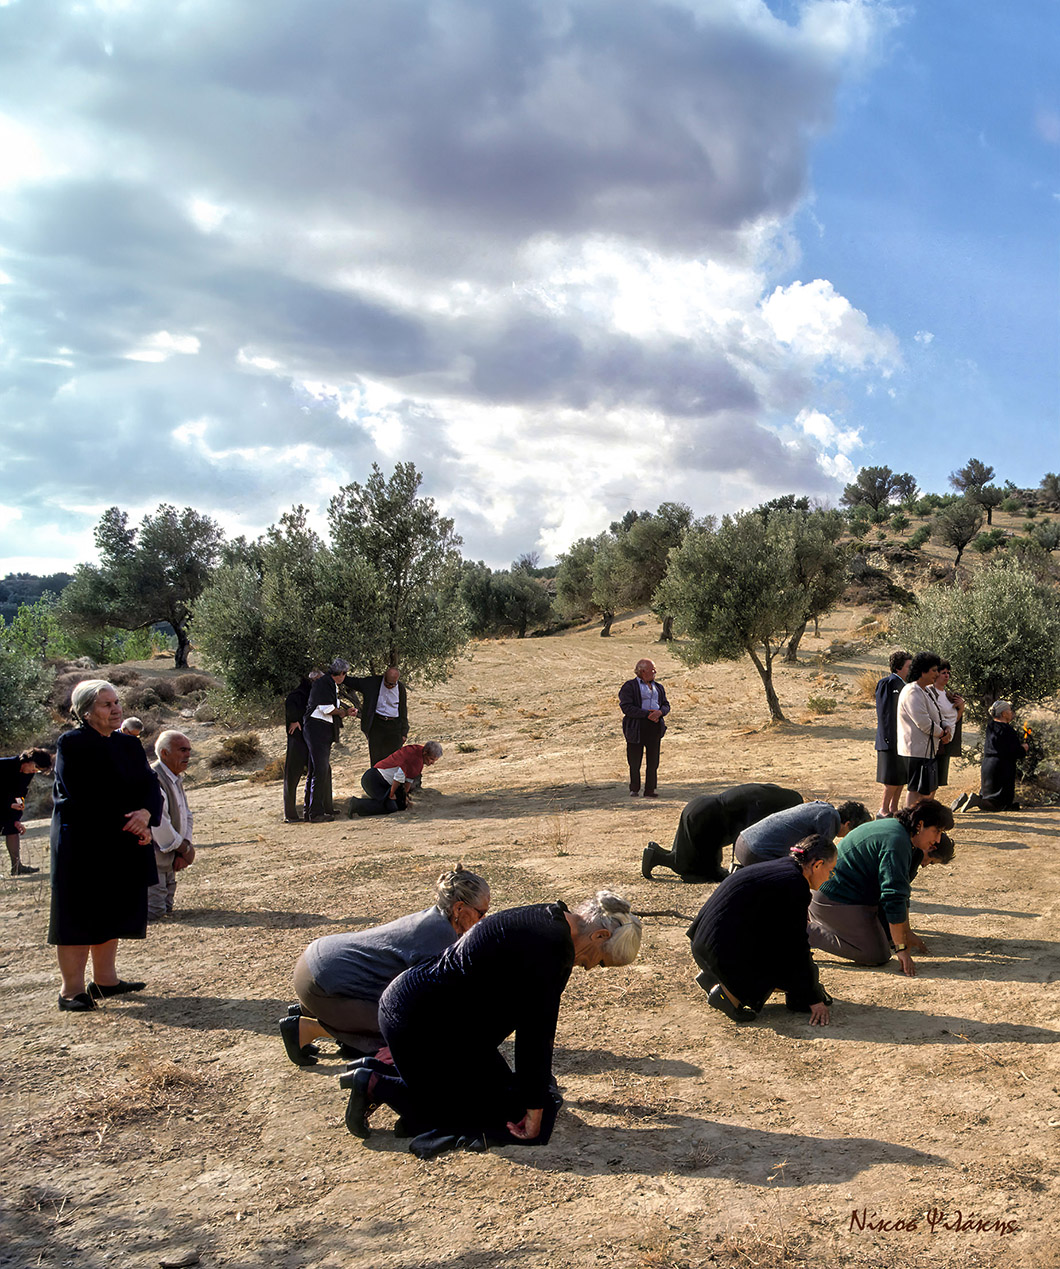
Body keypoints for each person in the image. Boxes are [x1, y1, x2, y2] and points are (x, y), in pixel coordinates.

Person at [341, 891, 642, 1154]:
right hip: (420, 1026)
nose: (591, 968)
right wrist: (534, 1108)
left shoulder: (553, 918)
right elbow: (535, 1034)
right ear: (600, 936)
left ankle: (401, 1076)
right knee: (504, 1120)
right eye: (601, 962)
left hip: (437, 1020)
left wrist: (532, 1095)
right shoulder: (552, 950)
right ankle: (376, 1083)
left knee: (513, 1100)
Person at [280, 865, 490, 1066]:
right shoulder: (441, 936)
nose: (483, 919)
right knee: (403, 1033)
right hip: (322, 982)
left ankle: (314, 1012)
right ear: (459, 908)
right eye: (481, 913)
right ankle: (306, 1029)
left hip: (316, 962)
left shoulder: (434, 918)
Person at [49, 680, 163, 1011]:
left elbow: (149, 785)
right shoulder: (71, 744)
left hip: (123, 839)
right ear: (85, 712)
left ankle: (105, 981)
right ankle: (70, 991)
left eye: (116, 702)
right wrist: (133, 823)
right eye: (106, 704)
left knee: (111, 908)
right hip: (83, 844)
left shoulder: (128, 744)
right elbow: (84, 796)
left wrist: (146, 814)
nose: (116, 709)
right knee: (79, 915)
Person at [687, 834, 838, 1025]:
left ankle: (715, 977)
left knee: (786, 958)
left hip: (702, 942)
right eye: (830, 870)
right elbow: (795, 946)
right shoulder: (795, 883)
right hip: (718, 951)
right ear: (817, 865)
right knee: (787, 961)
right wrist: (814, 998)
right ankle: (727, 995)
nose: (829, 877)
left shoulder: (785, 869)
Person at [807, 800, 954, 977]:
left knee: (887, 938)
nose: (937, 840)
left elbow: (900, 892)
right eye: (937, 831)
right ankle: (805, 930)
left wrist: (905, 933)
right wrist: (901, 949)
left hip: (853, 897)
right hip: (835, 898)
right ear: (920, 825)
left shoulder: (901, 834)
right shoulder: (897, 841)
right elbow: (893, 897)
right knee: (876, 954)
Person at [641, 783, 802, 883]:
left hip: (698, 807)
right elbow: (748, 836)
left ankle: (655, 852)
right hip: (706, 818)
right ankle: (654, 857)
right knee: (695, 871)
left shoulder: (770, 793)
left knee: (687, 857)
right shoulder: (763, 806)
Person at [731, 799, 872, 870]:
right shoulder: (829, 819)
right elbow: (816, 862)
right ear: (848, 824)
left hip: (743, 841)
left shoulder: (822, 807)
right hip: (756, 852)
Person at [147, 731, 195, 921]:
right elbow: (160, 824)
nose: (187, 755)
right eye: (182, 750)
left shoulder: (174, 777)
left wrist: (185, 846)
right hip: (153, 861)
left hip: (169, 859)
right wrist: (184, 848)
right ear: (165, 753)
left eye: (189, 750)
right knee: (155, 911)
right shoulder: (153, 779)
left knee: (166, 908)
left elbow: (186, 815)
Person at [303, 659, 357, 823]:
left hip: (318, 729)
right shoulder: (324, 684)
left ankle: (313, 809)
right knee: (320, 770)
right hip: (318, 729)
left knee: (317, 771)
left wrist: (344, 712)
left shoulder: (327, 684)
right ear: (342, 673)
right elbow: (326, 709)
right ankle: (316, 813)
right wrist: (345, 712)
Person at [897, 651, 950, 808]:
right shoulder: (912, 691)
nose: (936, 674)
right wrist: (942, 734)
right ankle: (910, 820)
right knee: (915, 789)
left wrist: (946, 728)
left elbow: (938, 715)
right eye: (933, 670)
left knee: (924, 790)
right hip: (915, 750)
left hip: (926, 749)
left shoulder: (926, 691)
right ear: (923, 671)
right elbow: (923, 722)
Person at [956, 701, 1027, 813]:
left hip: (988, 765)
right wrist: (1023, 748)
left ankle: (967, 799)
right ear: (1003, 713)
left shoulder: (991, 726)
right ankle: (976, 801)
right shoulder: (1007, 730)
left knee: (989, 795)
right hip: (1002, 767)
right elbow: (1014, 752)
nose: (1011, 713)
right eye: (1009, 710)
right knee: (997, 803)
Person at [619, 659, 671, 798]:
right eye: (652, 669)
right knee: (635, 760)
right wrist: (646, 714)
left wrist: (660, 712)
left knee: (653, 760)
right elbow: (626, 707)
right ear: (642, 671)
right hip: (637, 727)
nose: (655, 672)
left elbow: (666, 704)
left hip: (654, 726)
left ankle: (650, 790)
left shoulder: (659, 687)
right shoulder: (629, 686)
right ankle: (634, 788)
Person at [349, 742, 442, 816]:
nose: (432, 763)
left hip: (384, 781)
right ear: (425, 753)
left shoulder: (417, 751)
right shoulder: (415, 760)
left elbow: (408, 780)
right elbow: (398, 778)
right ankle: (356, 804)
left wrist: (404, 796)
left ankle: (374, 800)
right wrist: (392, 794)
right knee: (390, 807)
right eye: (431, 759)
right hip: (374, 780)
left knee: (401, 805)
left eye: (434, 760)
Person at [1, 747, 52, 876]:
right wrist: (8, 804)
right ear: (29, 759)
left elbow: (20, 793)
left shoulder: (28, 773)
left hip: (8, 806)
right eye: (34, 767)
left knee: (12, 828)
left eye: (37, 770)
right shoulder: (4, 764)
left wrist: (17, 818)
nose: (34, 771)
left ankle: (17, 867)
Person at [283, 670, 323, 823]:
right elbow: (293, 706)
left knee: (322, 772)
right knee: (292, 776)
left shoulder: (316, 693)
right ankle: (290, 815)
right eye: (317, 678)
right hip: (298, 740)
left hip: (311, 739)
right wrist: (295, 719)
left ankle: (321, 808)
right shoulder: (298, 694)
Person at [347, 666, 409, 766]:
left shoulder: (400, 688)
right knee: (376, 762)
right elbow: (356, 683)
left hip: (394, 726)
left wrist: (404, 732)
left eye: (393, 684)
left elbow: (403, 710)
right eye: (388, 683)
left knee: (394, 761)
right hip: (377, 725)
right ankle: (376, 781)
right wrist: (339, 676)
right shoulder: (373, 683)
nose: (390, 686)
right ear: (384, 676)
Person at [874, 650, 911, 817]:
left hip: (903, 741)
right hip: (890, 741)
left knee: (901, 778)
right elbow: (886, 714)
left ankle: (894, 809)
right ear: (898, 667)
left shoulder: (905, 685)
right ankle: (883, 810)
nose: (911, 670)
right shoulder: (887, 684)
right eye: (908, 666)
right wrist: (889, 739)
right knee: (891, 779)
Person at [929, 660, 964, 790]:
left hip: (946, 743)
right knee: (929, 782)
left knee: (937, 782)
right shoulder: (930, 692)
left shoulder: (948, 695)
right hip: (934, 742)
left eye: (948, 673)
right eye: (943, 673)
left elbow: (952, 720)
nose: (947, 676)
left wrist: (960, 708)